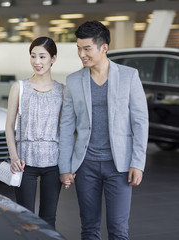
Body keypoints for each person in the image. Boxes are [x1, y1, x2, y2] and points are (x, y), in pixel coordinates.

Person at [58, 20, 149, 239]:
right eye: (78, 48)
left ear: (104, 47)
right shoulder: (73, 81)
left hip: (119, 166)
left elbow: (140, 121)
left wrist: (138, 162)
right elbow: (67, 127)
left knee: (118, 229)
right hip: (85, 165)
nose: (81, 54)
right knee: (89, 228)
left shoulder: (129, 76)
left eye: (87, 48)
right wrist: (65, 167)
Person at [5, 36, 65, 228]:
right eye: (33, 56)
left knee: (49, 219)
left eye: (42, 56)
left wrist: (67, 165)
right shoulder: (19, 87)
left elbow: (65, 130)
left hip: (53, 162)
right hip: (24, 162)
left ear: (53, 58)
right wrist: (14, 157)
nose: (37, 62)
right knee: (24, 218)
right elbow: (9, 126)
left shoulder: (62, 90)